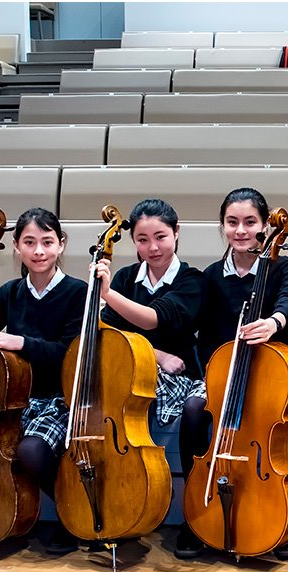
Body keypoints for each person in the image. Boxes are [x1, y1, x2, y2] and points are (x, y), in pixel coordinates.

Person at [174, 188, 288, 561]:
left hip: (273, 372)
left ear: (266, 226)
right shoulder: (212, 276)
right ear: (222, 227)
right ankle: (197, 512)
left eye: (250, 222)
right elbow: (197, 329)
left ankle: (287, 518)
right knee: (193, 411)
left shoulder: (285, 267)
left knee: (282, 416)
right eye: (232, 223)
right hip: (223, 374)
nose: (241, 230)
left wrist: (273, 322)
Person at [0, 208, 87, 555]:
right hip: (11, 401)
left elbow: (69, 353)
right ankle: (1, 516)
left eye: (47, 242)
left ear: (61, 245)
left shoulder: (78, 292)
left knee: (31, 450)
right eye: (29, 242)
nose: (39, 251)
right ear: (16, 247)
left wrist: (19, 342)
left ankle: (71, 513)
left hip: (58, 400)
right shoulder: (11, 292)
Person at [94, 197, 207, 465]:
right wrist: (156, 354)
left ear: (176, 231)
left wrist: (107, 294)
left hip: (181, 376)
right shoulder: (124, 277)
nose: (153, 247)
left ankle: (193, 486)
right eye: (142, 240)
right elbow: (107, 330)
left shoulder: (192, 280)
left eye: (161, 237)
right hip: (132, 372)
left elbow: (153, 319)